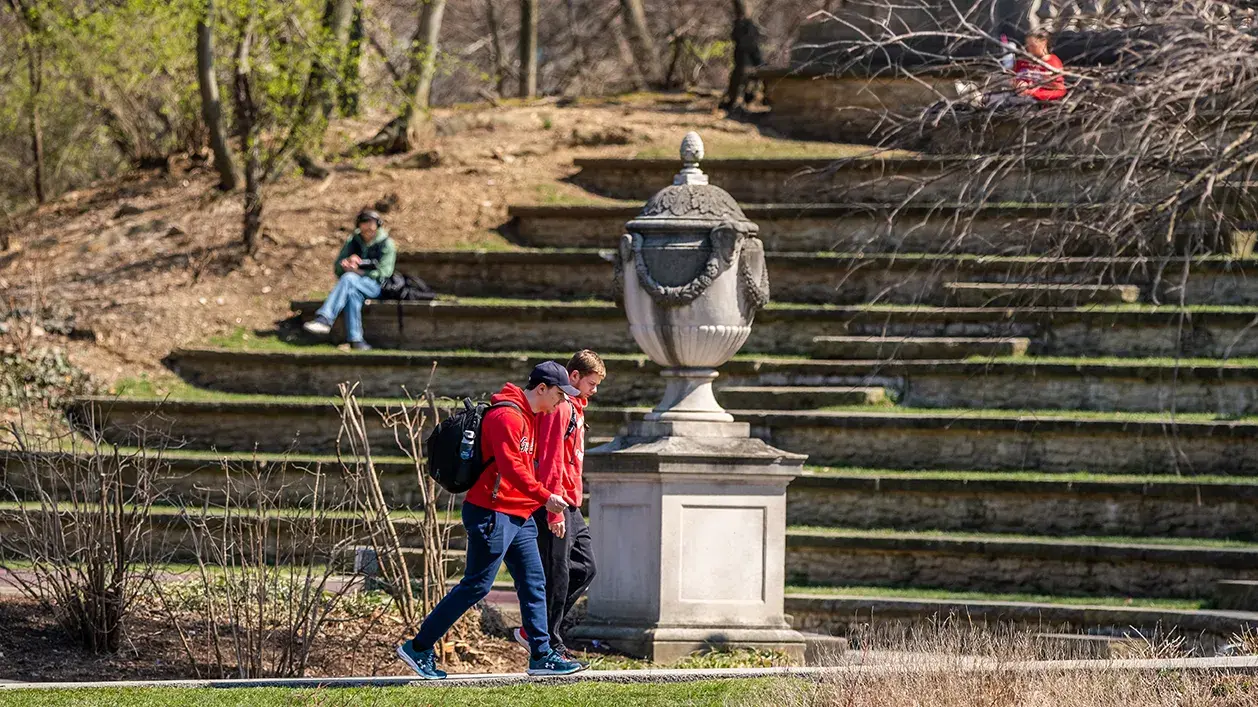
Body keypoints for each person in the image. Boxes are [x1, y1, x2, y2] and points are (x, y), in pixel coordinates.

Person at [396, 361, 587, 679]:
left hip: (519, 513)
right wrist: (546, 497)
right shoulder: (506, 417)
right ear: (541, 389)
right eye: (558, 394)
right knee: (476, 586)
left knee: (533, 582)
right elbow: (513, 469)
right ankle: (418, 647)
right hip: (492, 513)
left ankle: (541, 656)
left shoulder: (531, 417)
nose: (561, 401)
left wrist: (536, 501)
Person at [511, 350, 606, 661]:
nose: (595, 390)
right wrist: (553, 508)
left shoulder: (576, 408)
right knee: (557, 573)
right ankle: (546, 641)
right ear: (574, 377)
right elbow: (550, 458)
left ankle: (535, 629)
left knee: (585, 567)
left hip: (571, 501)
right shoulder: (561, 408)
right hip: (556, 500)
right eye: (591, 383)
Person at [302, 209, 396, 351]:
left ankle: (325, 319)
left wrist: (358, 271)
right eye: (364, 223)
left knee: (349, 279)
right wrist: (346, 264)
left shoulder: (386, 244)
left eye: (371, 223)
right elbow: (337, 268)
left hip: (377, 286)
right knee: (352, 294)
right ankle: (356, 340)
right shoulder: (353, 241)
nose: (367, 228)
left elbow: (385, 272)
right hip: (355, 285)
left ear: (378, 225)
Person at [955, 29, 1067, 109]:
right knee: (1000, 87)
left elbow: (1060, 91)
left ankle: (980, 100)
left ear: (1044, 43)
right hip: (1017, 92)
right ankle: (978, 97)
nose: (1028, 49)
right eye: (1027, 46)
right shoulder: (1024, 61)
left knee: (1016, 100)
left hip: (1035, 99)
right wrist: (1015, 82)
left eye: (1032, 46)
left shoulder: (1052, 63)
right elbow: (1015, 75)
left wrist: (1032, 92)